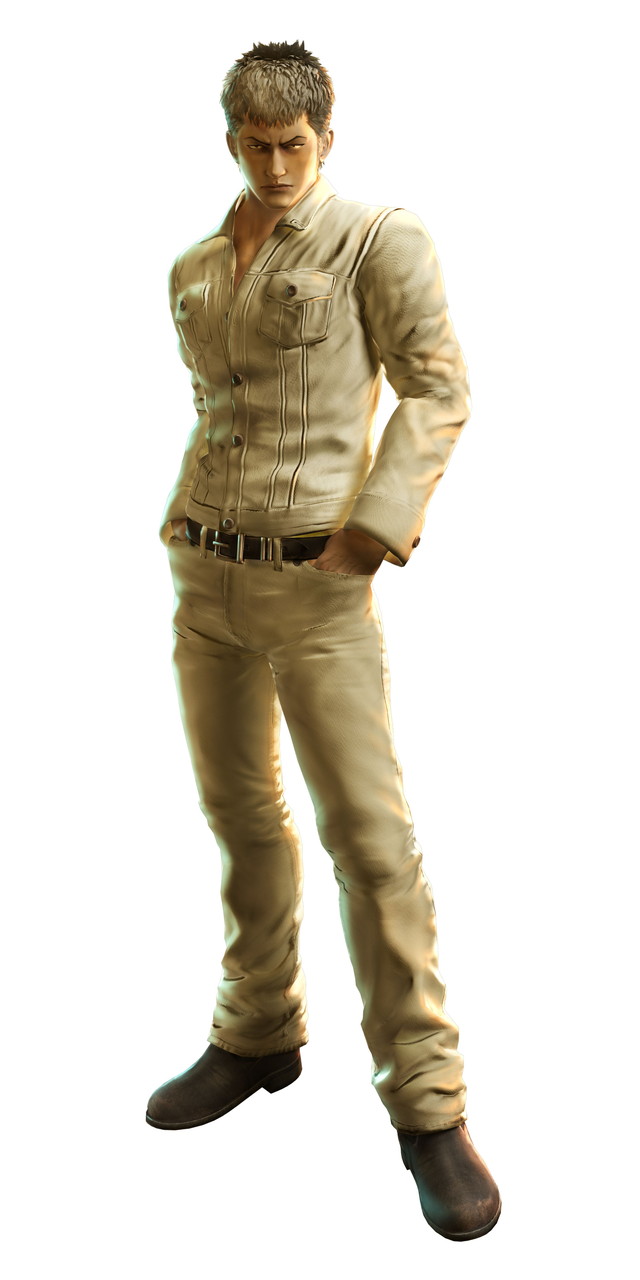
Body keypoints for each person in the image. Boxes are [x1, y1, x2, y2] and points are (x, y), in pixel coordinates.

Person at [146, 39, 501, 1242]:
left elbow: (437, 387)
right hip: (205, 577)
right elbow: (223, 412)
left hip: (316, 587)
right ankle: (256, 1028)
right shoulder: (198, 267)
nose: (276, 164)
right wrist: (185, 531)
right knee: (240, 815)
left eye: (293, 143)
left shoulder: (374, 239)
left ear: (326, 137)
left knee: (371, 840)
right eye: (256, 145)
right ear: (231, 142)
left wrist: (370, 531)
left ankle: (428, 1101)